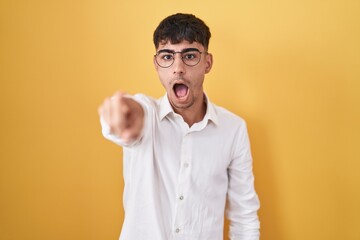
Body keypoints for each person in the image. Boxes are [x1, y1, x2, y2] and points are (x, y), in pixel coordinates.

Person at [98, 13, 260, 240]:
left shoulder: (234, 129)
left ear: (208, 62)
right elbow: (133, 110)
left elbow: (244, 216)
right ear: (156, 64)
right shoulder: (147, 116)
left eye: (190, 56)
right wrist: (121, 114)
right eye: (167, 57)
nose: (178, 68)